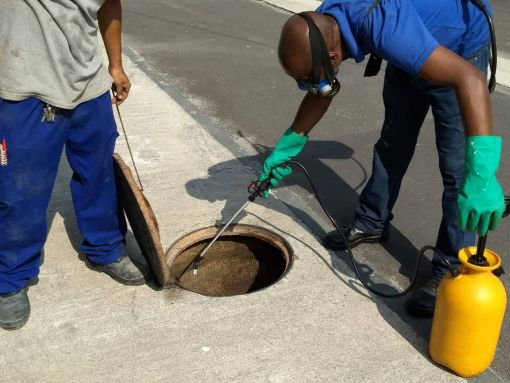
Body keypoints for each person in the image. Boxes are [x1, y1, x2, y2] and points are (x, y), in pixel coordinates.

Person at [258, 0, 505, 317]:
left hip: (458, 52)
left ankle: (452, 264)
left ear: (333, 56)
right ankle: (372, 220)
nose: (309, 87)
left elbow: (469, 78)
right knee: (393, 143)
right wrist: (290, 144)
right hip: (411, 47)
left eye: (308, 80)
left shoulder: (384, 26)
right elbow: (324, 88)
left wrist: (483, 172)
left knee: (458, 170)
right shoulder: (322, 21)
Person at [0, 0, 150, 330]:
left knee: (99, 177)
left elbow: (109, 5)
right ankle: (11, 277)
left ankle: (106, 248)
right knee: (20, 191)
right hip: (24, 89)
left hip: (89, 85)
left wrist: (115, 64)